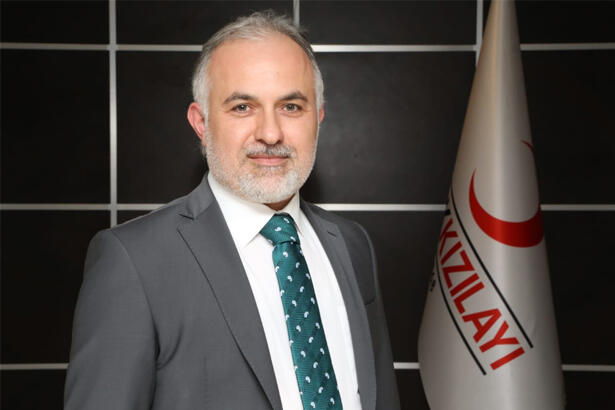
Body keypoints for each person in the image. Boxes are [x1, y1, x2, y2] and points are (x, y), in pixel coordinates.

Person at [64, 11, 400, 410]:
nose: (270, 133)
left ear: (319, 118)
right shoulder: (134, 261)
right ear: (201, 123)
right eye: (243, 107)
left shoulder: (351, 244)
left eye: (291, 106)